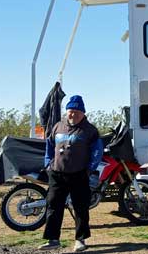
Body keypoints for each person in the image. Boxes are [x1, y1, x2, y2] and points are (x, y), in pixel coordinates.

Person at [38, 95, 103, 252]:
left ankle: (80, 240)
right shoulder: (57, 127)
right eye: (70, 111)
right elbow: (49, 146)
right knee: (53, 206)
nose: (73, 115)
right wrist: (48, 164)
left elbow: (97, 151)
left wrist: (89, 169)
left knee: (80, 208)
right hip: (57, 173)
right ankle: (53, 240)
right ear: (66, 112)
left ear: (83, 113)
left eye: (76, 112)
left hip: (79, 174)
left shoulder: (90, 130)